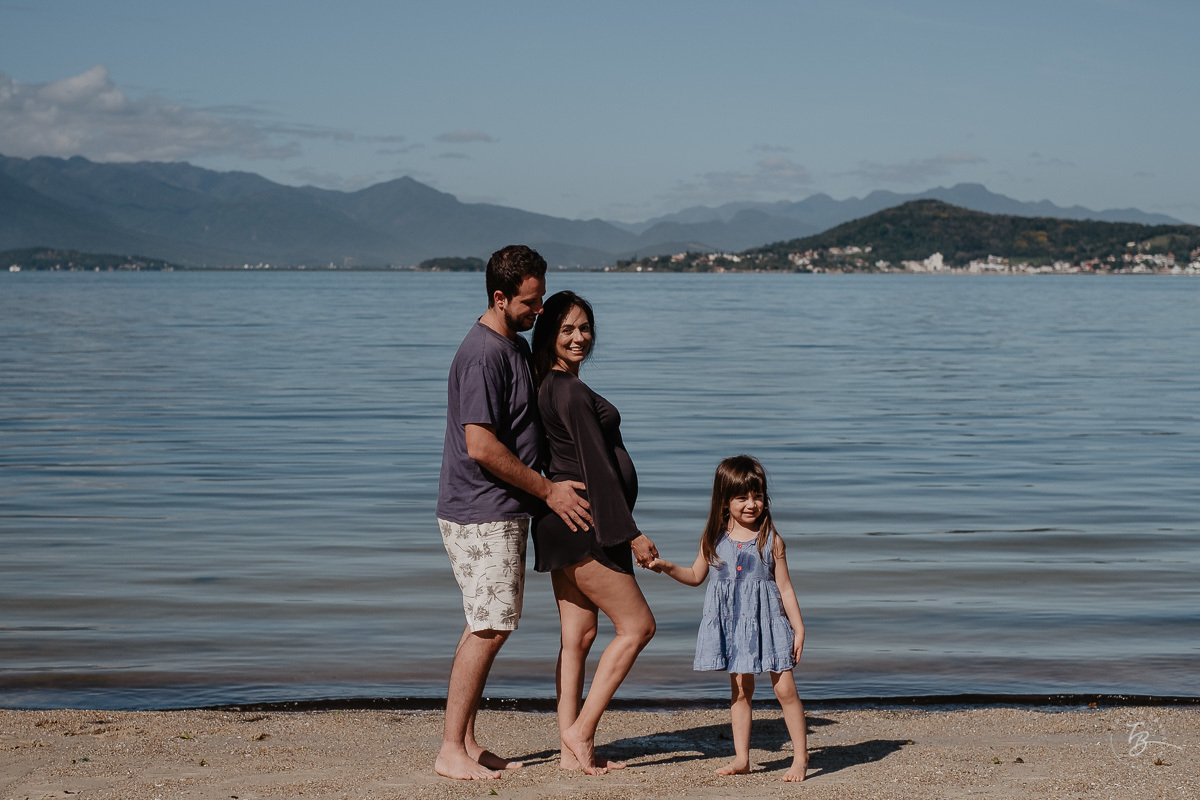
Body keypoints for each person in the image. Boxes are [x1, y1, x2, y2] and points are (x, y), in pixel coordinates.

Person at [434, 246, 593, 781]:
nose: (538, 309)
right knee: (491, 626)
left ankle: (468, 742)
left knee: (487, 622)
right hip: (482, 509)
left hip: (496, 508)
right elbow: (480, 445)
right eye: (530, 301)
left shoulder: (512, 346)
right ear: (499, 298)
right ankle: (450, 748)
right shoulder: (482, 354)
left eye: (541, 296)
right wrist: (549, 491)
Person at [530, 291, 658, 775]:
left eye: (585, 328)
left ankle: (569, 752)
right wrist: (631, 534)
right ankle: (580, 732)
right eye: (567, 330)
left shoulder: (550, 385)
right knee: (638, 626)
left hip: (562, 527)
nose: (580, 337)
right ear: (550, 336)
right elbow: (599, 468)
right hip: (587, 526)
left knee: (578, 636)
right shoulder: (569, 390)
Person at [649, 455, 808, 781]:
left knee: (785, 691)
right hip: (734, 626)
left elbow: (786, 589)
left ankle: (801, 758)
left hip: (770, 623)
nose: (752, 504)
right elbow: (695, 576)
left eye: (758, 495)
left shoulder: (771, 541)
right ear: (724, 500)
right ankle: (741, 758)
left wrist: (799, 627)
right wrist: (666, 567)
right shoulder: (714, 540)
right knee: (740, 691)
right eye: (742, 497)